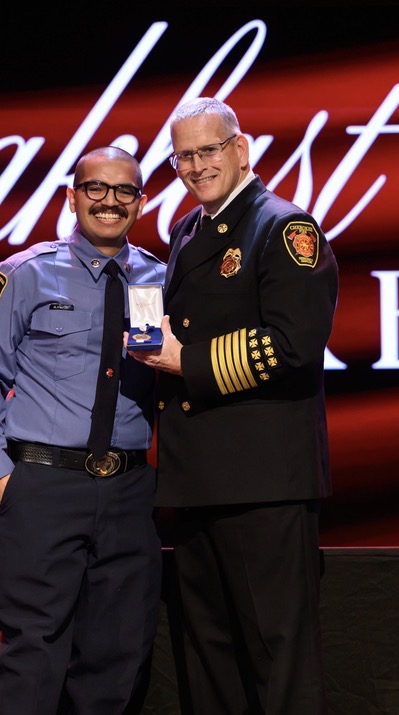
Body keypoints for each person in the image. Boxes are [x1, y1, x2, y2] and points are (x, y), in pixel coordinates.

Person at [133, 98, 338, 713]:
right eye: (183, 156)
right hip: (195, 479)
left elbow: (294, 344)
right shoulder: (187, 231)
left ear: (241, 148)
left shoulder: (283, 228)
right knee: (209, 657)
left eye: (208, 150)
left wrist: (185, 362)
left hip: (261, 481)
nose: (196, 167)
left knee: (278, 659)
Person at [0, 146, 165, 714]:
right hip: (43, 487)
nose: (110, 201)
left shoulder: (154, 279)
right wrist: (2, 478)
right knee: (33, 652)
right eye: (96, 188)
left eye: (125, 191)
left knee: (118, 653)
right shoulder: (23, 274)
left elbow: (161, 375)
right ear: (71, 197)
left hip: (126, 494)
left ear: (141, 203)